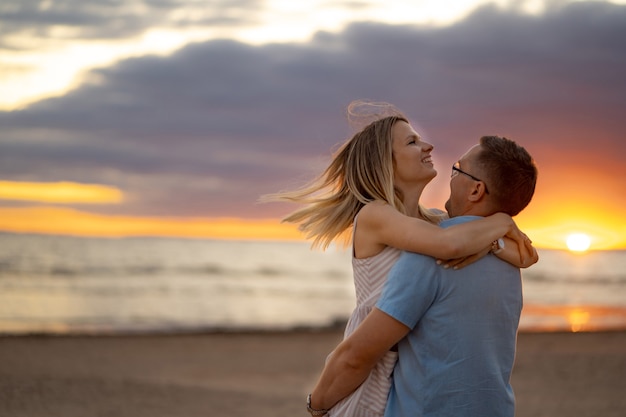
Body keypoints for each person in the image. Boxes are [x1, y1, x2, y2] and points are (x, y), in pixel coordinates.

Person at [262, 100, 537, 417]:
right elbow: (449, 244)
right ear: (386, 163)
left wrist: (495, 238)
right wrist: (501, 223)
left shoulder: (431, 223)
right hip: (370, 364)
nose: (428, 145)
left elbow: (525, 256)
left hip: (399, 362)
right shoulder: (376, 215)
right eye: (412, 141)